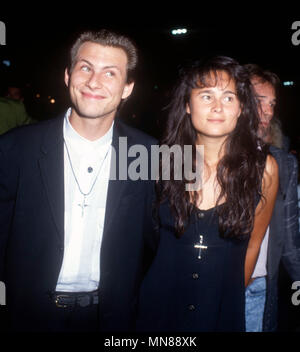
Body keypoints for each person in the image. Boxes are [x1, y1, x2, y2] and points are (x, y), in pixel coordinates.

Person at [0, 29, 157, 332]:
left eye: (110, 73)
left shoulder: (148, 154)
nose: (94, 82)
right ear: (67, 75)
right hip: (28, 316)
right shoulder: (15, 148)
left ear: (128, 87)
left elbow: (157, 243)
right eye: (85, 67)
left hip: (112, 319)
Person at [136, 56, 278, 332]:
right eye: (206, 96)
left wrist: (229, 292)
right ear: (187, 106)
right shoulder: (161, 163)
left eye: (228, 97)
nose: (217, 107)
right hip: (158, 309)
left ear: (240, 108)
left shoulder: (264, 170)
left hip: (222, 311)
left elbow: (253, 245)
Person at [244, 63, 300, 331]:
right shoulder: (202, 155)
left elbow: (290, 241)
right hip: (206, 287)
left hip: (257, 289)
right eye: (258, 101)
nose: (267, 111)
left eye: (272, 103)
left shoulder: (283, 164)